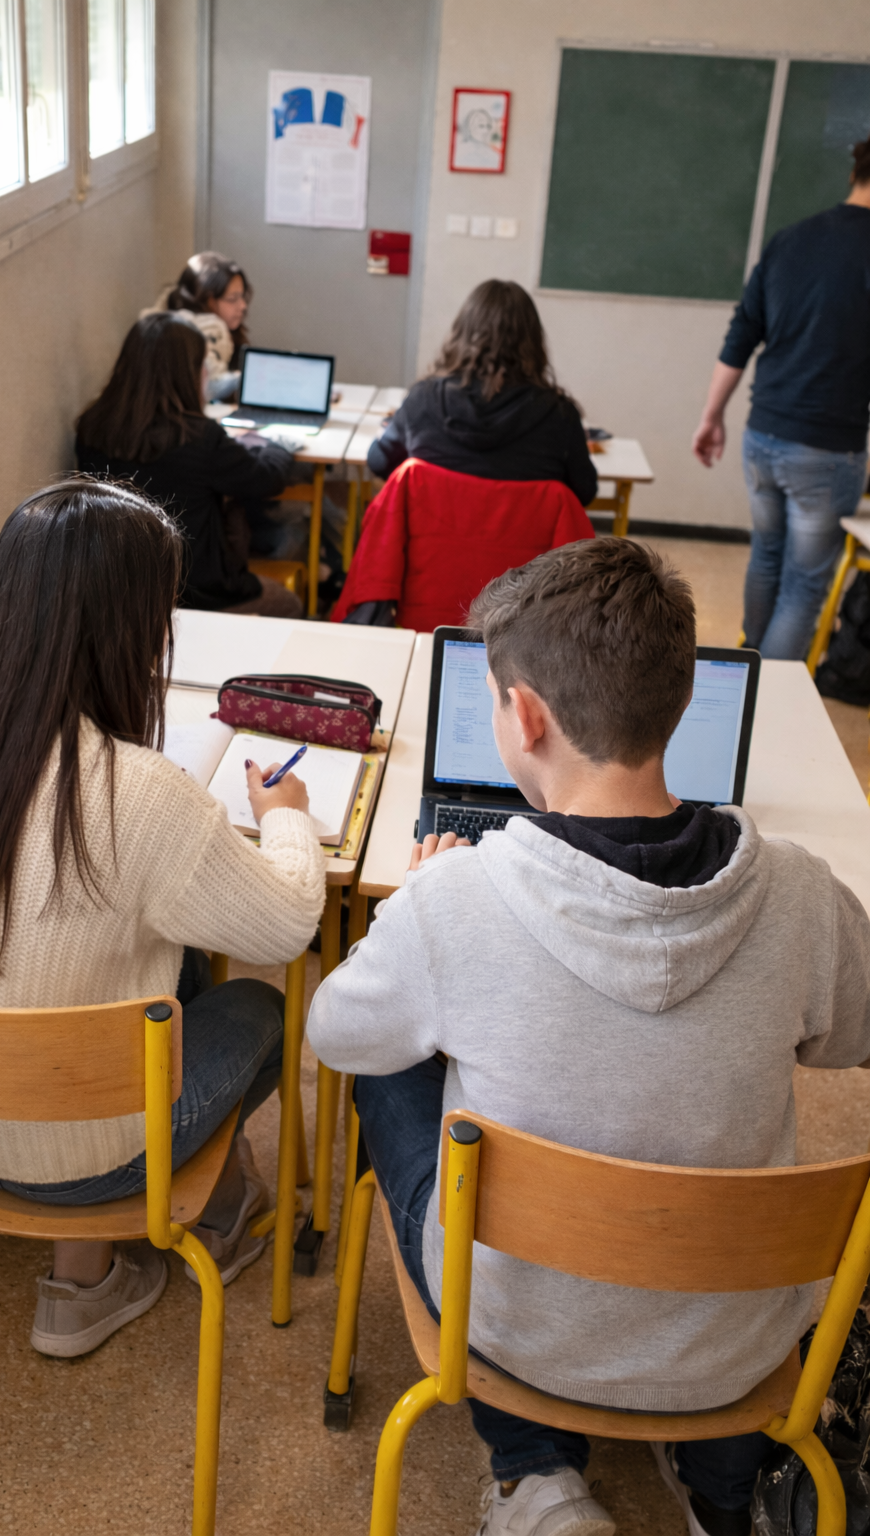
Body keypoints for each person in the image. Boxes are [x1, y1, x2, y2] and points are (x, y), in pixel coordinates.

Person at [307, 536, 870, 1536]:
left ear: (525, 718)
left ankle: (534, 1477)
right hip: (735, 1339)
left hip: (516, 1332)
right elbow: (848, 1039)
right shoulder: (800, 894)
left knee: (394, 1067)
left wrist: (415, 909)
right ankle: (722, 1491)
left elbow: (334, 1032)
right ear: (680, 699)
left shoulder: (456, 903)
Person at [0, 479, 325, 1357]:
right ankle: (138, 1255)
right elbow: (288, 926)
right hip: (78, 1161)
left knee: (169, 951)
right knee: (264, 1009)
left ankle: (108, 1261)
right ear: (130, 628)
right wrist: (287, 814)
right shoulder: (141, 791)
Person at [692, 134, 870, 660]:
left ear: (853, 174)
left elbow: (741, 336)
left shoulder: (791, 240)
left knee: (766, 557)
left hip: (763, 436)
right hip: (827, 449)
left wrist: (711, 417)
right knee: (804, 583)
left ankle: (750, 667)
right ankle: (769, 693)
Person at [76, 312, 302, 615]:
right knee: (289, 604)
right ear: (189, 372)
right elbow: (265, 479)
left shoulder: (93, 428)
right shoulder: (199, 436)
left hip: (120, 590)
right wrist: (279, 447)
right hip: (195, 591)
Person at [367, 279, 598, 508]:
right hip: (529, 546)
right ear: (534, 341)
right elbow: (584, 491)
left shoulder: (423, 399)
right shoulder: (560, 415)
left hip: (434, 543)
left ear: (462, 334)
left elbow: (379, 462)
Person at [154, 251, 252, 398]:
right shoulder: (197, 334)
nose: (243, 306)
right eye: (232, 299)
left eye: (242, 297)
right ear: (208, 301)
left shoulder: (230, 334)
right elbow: (207, 389)